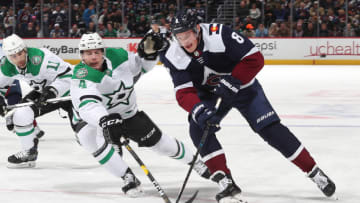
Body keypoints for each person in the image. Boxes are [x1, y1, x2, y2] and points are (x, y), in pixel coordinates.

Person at [158, 9, 336, 203]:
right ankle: (225, 181)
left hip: (243, 87)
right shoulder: (173, 53)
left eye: (187, 35)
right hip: (210, 94)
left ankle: (314, 172)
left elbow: (255, 58)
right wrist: (199, 110)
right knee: (198, 127)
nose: (185, 42)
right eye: (180, 37)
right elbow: (184, 92)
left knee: (271, 129)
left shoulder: (219, 35)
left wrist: (234, 80)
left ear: (197, 29)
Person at [70, 33, 210, 197]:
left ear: (103, 51)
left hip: (129, 114)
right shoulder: (81, 75)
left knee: (161, 143)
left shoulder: (118, 56)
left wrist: (147, 55)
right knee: (101, 147)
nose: (93, 57)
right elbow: (87, 104)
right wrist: (103, 119)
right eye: (88, 53)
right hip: (105, 120)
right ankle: (127, 177)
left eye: (96, 52)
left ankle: (195, 162)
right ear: (82, 55)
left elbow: (139, 67)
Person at [0, 34, 74, 168]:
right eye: (13, 56)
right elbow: (2, 84)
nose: (19, 59)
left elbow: (69, 76)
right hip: (43, 94)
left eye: (20, 53)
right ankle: (29, 153)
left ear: (25, 50)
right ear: (8, 56)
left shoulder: (42, 58)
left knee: (85, 136)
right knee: (21, 114)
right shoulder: (7, 66)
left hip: (69, 93)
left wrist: (52, 91)